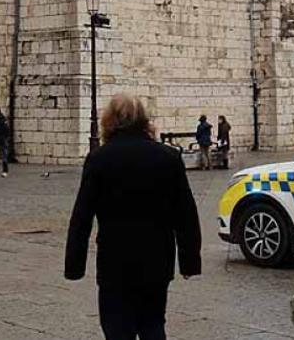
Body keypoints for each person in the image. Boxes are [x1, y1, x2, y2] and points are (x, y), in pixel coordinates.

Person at [65, 94, 201, 340]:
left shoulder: (99, 159)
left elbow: (82, 216)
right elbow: (186, 214)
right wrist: (190, 261)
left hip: (114, 261)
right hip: (157, 260)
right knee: (153, 324)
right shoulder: (168, 158)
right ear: (143, 120)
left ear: (110, 121)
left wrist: (75, 265)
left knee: (117, 329)